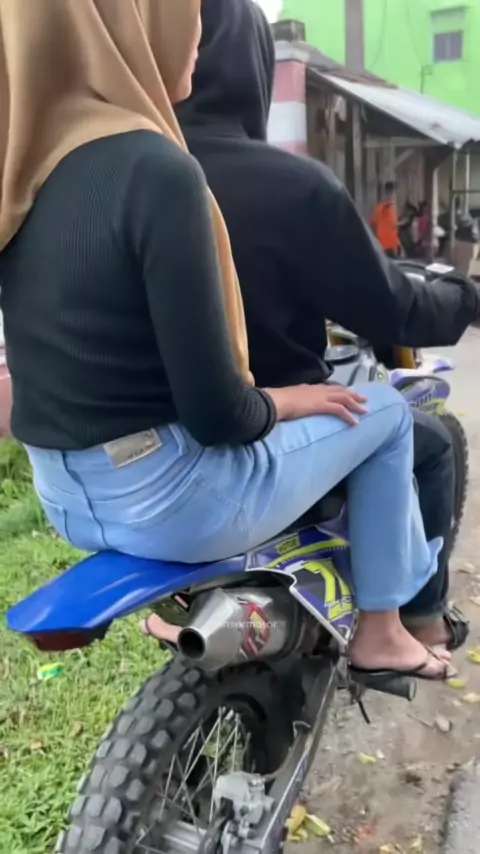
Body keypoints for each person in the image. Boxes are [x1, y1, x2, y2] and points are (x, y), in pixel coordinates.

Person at [0, 0, 449, 681]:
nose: (196, 40)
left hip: (64, 498)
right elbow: (219, 417)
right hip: (176, 503)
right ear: (134, 28)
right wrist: (290, 398)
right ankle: (385, 632)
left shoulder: (23, 175)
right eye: (185, 19)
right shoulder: (156, 169)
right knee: (385, 413)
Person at [173, 0, 478, 652]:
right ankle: (418, 617)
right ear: (254, 69)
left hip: (150, 454)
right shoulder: (292, 186)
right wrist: (465, 296)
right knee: (429, 442)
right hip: (261, 433)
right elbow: (394, 309)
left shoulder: (121, 177)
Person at [372, 182, 402, 257]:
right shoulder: (383, 207)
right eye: (393, 193)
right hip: (387, 245)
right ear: (388, 193)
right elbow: (374, 224)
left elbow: (374, 222)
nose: (395, 196)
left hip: (390, 244)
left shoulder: (389, 208)